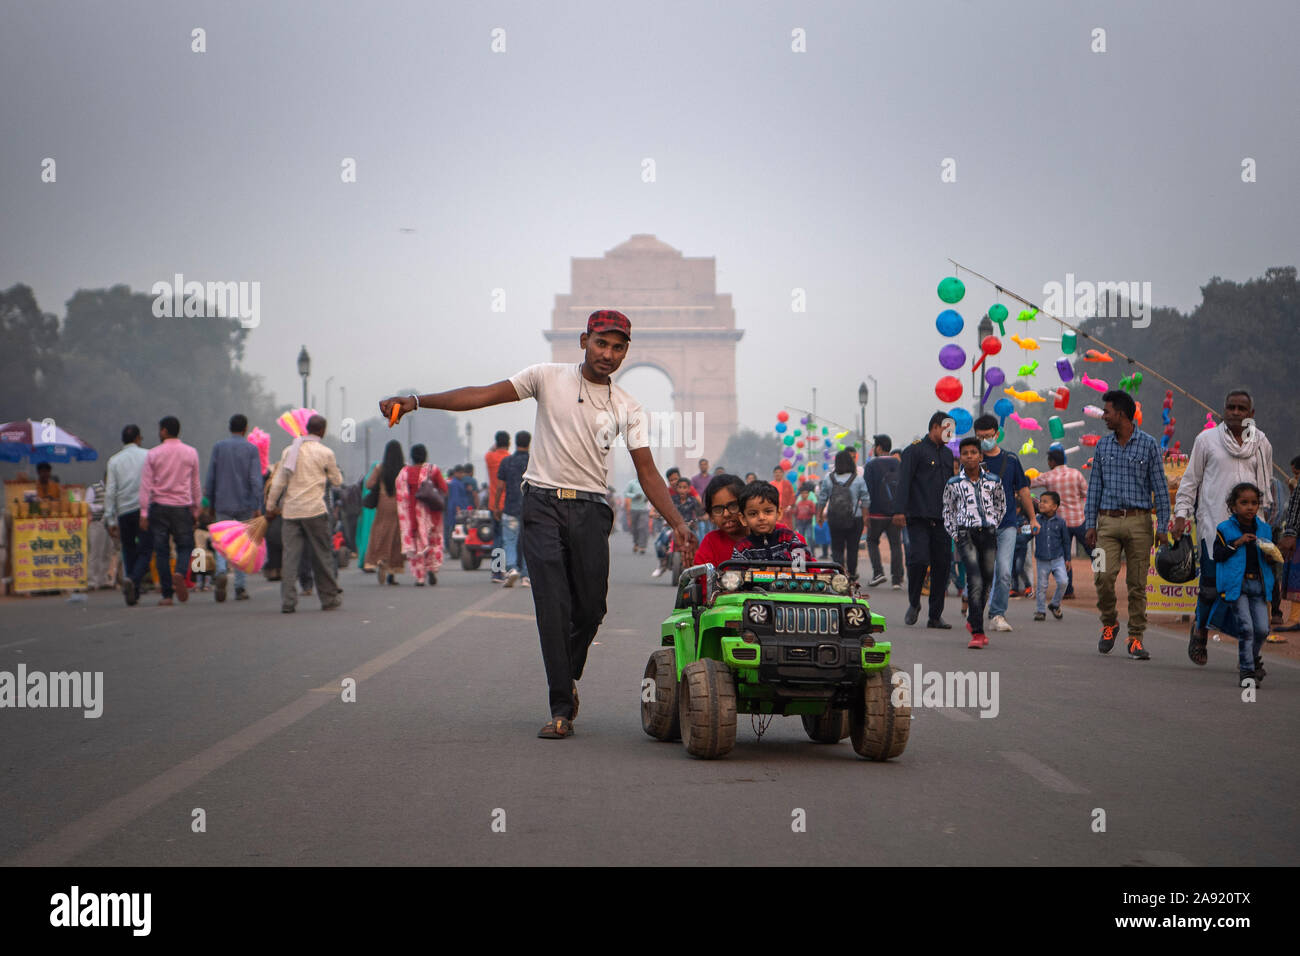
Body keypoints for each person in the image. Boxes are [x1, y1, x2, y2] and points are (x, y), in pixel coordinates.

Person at [379, 308, 696, 740]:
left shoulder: (628, 407)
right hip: (541, 503)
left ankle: (566, 674)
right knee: (553, 608)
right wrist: (417, 400)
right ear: (584, 341)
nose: (608, 353)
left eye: (618, 347)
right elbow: (481, 395)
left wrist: (677, 522)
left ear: (626, 353)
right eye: (601, 343)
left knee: (591, 608)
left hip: (590, 509)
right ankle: (560, 705)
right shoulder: (546, 376)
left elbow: (647, 470)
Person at [1172, 389, 1275, 667]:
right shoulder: (1206, 440)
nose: (1236, 412)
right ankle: (1201, 631)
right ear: (1223, 410)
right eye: (1231, 407)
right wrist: (1181, 515)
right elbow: (1190, 482)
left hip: (1252, 531)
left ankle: (1252, 658)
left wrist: (1268, 529)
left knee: (1251, 589)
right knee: (1210, 588)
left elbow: (1266, 489)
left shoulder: (1261, 443)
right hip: (1214, 528)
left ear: (1251, 414)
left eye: (1242, 408)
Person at [1084, 389, 1171, 660]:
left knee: (1137, 584)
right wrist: (1090, 523)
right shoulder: (1102, 446)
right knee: (1101, 577)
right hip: (1106, 523)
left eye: (1107, 411)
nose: (1104, 416)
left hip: (1139, 523)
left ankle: (1135, 638)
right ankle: (1109, 623)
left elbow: (1160, 487)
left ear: (1121, 413)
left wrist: (1164, 526)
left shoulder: (1149, 445)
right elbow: (1094, 486)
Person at [265, 414, 343, 612]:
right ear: (323, 431)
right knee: (322, 556)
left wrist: (270, 506)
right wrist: (325, 473)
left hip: (291, 513)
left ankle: (288, 602)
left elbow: (279, 481)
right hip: (315, 511)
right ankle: (328, 599)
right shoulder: (325, 453)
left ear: (307, 428)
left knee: (290, 558)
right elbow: (337, 481)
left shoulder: (289, 451)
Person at [972, 413, 1038, 632]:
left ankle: (997, 614)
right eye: (980, 437)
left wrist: (1032, 517)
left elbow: (1023, 490)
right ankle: (974, 611)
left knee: (1004, 571)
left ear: (997, 434)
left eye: (988, 436)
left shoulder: (1010, 460)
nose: (984, 441)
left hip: (1007, 525)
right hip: (979, 526)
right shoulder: (971, 461)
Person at [894, 412, 958, 629]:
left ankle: (935, 615)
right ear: (935, 427)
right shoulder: (914, 450)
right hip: (918, 517)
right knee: (919, 560)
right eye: (947, 430)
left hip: (942, 519)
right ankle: (914, 602)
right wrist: (899, 510)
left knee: (943, 566)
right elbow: (904, 482)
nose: (950, 435)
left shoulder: (949, 456)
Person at [942, 436, 1006, 648]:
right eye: (965, 453)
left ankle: (973, 619)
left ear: (980, 455)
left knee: (987, 579)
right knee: (975, 578)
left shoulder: (993, 481)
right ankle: (977, 633)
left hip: (988, 532)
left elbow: (1000, 505)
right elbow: (948, 511)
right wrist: (955, 533)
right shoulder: (954, 484)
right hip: (965, 534)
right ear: (960, 457)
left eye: (973, 453)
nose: (969, 457)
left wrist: (993, 523)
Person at [1212, 483, 1275, 686]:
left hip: (1258, 586)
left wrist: (1270, 553)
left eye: (1254, 503)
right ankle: (1247, 671)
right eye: (1244, 503)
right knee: (1246, 628)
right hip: (1237, 586)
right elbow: (1218, 555)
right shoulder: (1225, 529)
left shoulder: (1265, 529)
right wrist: (1236, 543)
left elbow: (1272, 562)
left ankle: (1252, 658)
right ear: (1233, 505)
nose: (1250, 507)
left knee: (1263, 629)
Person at [138, 416, 201, 606]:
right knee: (185, 546)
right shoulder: (191, 453)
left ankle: (166, 594)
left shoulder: (153, 454)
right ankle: (180, 573)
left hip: (159, 508)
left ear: (164, 431)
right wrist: (196, 510)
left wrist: (143, 513)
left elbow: (145, 485)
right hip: (182, 508)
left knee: (162, 551)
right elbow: (195, 484)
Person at [205, 413, 263, 602]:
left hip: (223, 502)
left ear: (229, 427)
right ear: (245, 429)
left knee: (222, 540)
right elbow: (255, 479)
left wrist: (210, 503)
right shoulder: (251, 449)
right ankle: (240, 586)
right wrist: (257, 505)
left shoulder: (218, 447)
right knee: (242, 544)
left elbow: (211, 478)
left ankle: (221, 571)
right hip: (244, 503)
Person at [1029, 447, 1089, 598]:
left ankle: (1068, 591)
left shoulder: (1048, 477)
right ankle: (1104, 578)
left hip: (1061, 523)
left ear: (1052, 462)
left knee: (1063, 557)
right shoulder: (1076, 474)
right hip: (1079, 520)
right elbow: (1085, 493)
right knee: (1095, 552)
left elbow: (1030, 484)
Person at [104, 424, 151, 606]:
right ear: (138, 439)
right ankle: (134, 579)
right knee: (146, 550)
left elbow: (110, 491)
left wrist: (109, 518)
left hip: (123, 512)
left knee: (128, 549)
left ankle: (133, 588)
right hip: (144, 510)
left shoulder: (114, 461)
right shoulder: (148, 456)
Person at [398, 443, 449, 586]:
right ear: (425, 456)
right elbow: (444, 488)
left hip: (413, 514)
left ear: (412, 457)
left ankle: (420, 577)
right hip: (433, 514)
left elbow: (400, 495)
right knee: (433, 543)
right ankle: (432, 569)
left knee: (417, 545)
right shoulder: (433, 470)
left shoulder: (404, 473)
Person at [818, 449, 870, 582]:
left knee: (837, 547)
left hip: (834, 518)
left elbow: (822, 499)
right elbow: (865, 499)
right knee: (853, 547)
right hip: (855, 518)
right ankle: (852, 574)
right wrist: (865, 517)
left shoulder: (829, 478)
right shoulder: (858, 479)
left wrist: (819, 515)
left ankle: (839, 574)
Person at [863, 435, 904, 589]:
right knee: (895, 544)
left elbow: (867, 491)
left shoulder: (872, 465)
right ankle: (897, 580)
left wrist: (866, 514)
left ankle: (878, 572)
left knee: (872, 541)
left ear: (879, 448)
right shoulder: (899, 464)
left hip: (876, 513)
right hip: (895, 513)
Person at [364, 440, 406, 585]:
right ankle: (392, 571)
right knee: (395, 538)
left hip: (383, 503)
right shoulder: (403, 469)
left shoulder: (379, 468)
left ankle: (380, 558)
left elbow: (368, 484)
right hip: (399, 505)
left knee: (380, 533)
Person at [494, 431, 532, 587]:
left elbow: (500, 487)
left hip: (510, 507)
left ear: (515, 443)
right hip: (531, 508)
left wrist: (496, 506)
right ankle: (526, 576)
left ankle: (511, 569)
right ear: (529, 443)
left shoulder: (506, 461)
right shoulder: (534, 462)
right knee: (528, 541)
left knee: (509, 541)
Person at [735, 481, 807, 560]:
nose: (761, 517)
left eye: (768, 511)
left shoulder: (787, 537)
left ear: (779, 513)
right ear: (743, 519)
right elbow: (735, 571)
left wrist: (785, 561)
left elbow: (804, 556)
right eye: (753, 514)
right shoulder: (743, 548)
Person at [693, 474, 751, 566]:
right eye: (718, 509)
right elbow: (702, 577)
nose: (726, 514)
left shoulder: (774, 534)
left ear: (746, 505)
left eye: (733, 506)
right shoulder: (710, 543)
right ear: (711, 516)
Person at [1033, 491, 1071, 621]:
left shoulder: (1060, 522)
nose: (1041, 504)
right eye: (1040, 501)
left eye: (1045, 501)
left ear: (1055, 507)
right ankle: (1040, 611)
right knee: (1042, 586)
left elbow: (1066, 541)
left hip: (1058, 559)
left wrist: (1068, 559)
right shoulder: (1036, 520)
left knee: (1063, 581)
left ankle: (1055, 604)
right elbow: (1028, 534)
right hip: (1042, 559)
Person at [654, 475, 702, 577]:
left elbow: (699, 513)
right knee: (659, 544)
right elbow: (663, 510)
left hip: (689, 528)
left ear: (689, 489)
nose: (682, 490)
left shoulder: (693, 501)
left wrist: (698, 519)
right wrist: (658, 515)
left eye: (685, 487)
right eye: (680, 487)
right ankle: (662, 564)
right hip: (671, 527)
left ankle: (696, 566)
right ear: (676, 488)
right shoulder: (671, 500)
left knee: (699, 543)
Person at [485, 431, 512, 583]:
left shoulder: (489, 457)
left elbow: (490, 450)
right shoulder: (509, 459)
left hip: (493, 505)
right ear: (508, 443)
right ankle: (507, 569)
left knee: (497, 538)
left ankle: (496, 572)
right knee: (508, 539)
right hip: (507, 504)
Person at [624, 475, 650, 553]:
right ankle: (636, 543)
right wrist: (634, 496)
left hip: (644, 509)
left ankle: (642, 546)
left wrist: (648, 497)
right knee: (635, 529)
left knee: (642, 528)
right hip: (634, 509)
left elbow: (652, 492)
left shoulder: (648, 483)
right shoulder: (632, 483)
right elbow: (626, 493)